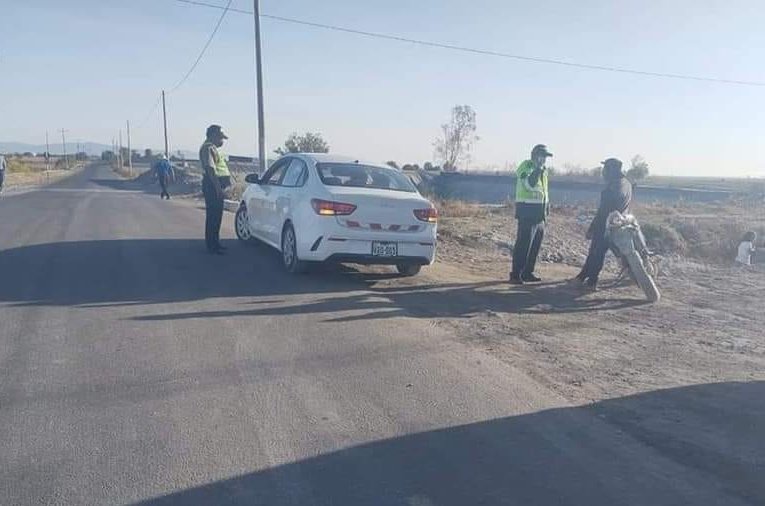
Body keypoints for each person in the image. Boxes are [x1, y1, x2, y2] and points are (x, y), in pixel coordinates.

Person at [575, 158, 633, 289]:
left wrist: (591, 228)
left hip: (606, 225)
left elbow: (603, 212)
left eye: (605, 169)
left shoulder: (611, 188)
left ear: (611, 170)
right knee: (596, 252)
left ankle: (591, 281)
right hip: (620, 224)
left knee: (597, 253)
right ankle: (582, 277)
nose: (603, 172)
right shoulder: (627, 184)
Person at [510, 144, 552, 285]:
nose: (544, 160)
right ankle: (516, 274)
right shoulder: (526, 167)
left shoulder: (544, 171)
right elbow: (529, 185)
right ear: (535, 155)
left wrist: (546, 207)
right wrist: (537, 169)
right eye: (542, 157)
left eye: (545, 157)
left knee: (535, 246)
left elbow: (544, 191)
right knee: (524, 244)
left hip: (539, 213)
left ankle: (528, 272)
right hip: (527, 211)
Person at [199, 125, 232, 254]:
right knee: (213, 216)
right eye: (220, 137)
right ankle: (212, 245)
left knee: (217, 216)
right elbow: (211, 169)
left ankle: (215, 242)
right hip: (213, 185)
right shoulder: (208, 148)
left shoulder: (213, 148)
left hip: (216, 185)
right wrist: (218, 188)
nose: (222, 141)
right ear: (213, 135)